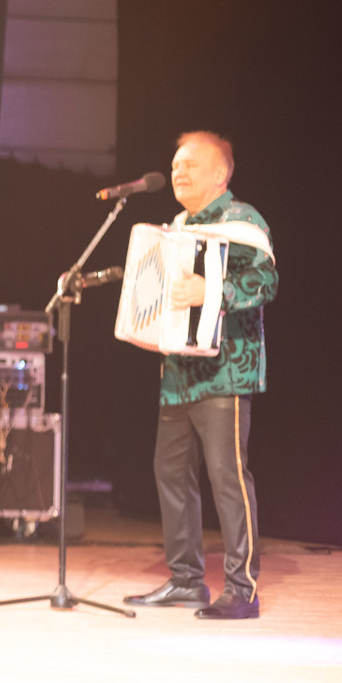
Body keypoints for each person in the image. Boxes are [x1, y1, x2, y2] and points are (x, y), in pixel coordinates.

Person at [124, 131, 277, 620]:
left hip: (225, 372)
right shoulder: (175, 227)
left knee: (227, 477)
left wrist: (210, 291)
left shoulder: (243, 221)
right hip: (178, 374)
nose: (178, 172)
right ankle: (186, 581)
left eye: (190, 164)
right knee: (170, 474)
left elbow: (265, 282)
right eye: (174, 166)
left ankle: (242, 589)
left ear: (221, 173)